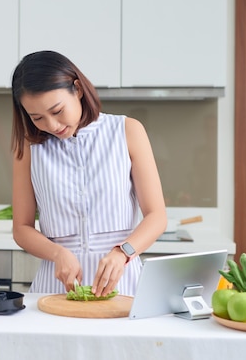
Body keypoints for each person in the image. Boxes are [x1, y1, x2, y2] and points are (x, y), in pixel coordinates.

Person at [10, 51, 167, 297]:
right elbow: (21, 228)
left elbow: (157, 216)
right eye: (37, 117)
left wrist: (123, 252)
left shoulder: (127, 131)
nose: (51, 125)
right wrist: (57, 253)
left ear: (78, 89)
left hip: (123, 283)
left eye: (57, 110)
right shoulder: (28, 149)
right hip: (57, 288)